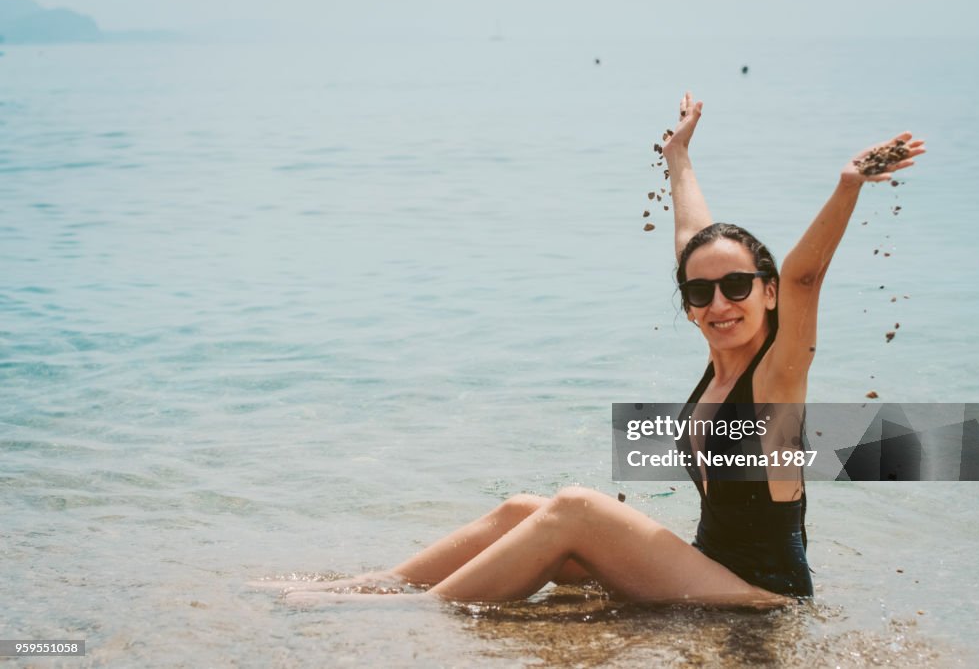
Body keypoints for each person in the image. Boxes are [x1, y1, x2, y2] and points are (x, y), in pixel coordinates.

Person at [263, 92, 925, 607]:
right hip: (707, 569)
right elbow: (692, 242)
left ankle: (409, 614)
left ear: (769, 292)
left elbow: (807, 277)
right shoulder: (719, 362)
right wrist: (679, 161)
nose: (718, 304)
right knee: (528, 510)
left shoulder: (775, 377)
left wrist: (846, 187)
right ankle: (373, 587)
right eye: (701, 293)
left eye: (737, 286)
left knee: (577, 509)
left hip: (760, 595)